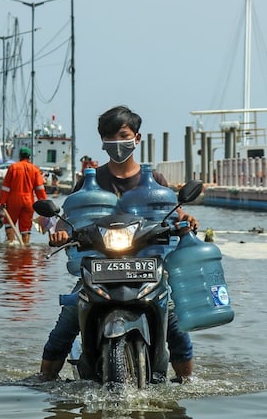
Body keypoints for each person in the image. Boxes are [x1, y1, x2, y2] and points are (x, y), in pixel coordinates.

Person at [39, 105, 199, 383]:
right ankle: (44, 380)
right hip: (99, 266)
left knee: (175, 323)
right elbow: (68, 218)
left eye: (123, 135)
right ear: (102, 142)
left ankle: (187, 382)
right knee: (66, 322)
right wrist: (60, 232)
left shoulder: (154, 182)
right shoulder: (90, 183)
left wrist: (186, 219)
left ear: (137, 138)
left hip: (147, 267)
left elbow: (173, 210)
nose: (117, 143)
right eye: (109, 137)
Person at [0, 146, 47, 244]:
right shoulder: (35, 170)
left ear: (20, 156)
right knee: (26, 228)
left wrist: (2, 201)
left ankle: (10, 245)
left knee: (9, 224)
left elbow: (6, 188)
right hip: (29, 202)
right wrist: (45, 204)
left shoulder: (13, 168)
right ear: (29, 157)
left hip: (13, 201)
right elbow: (39, 189)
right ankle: (25, 250)